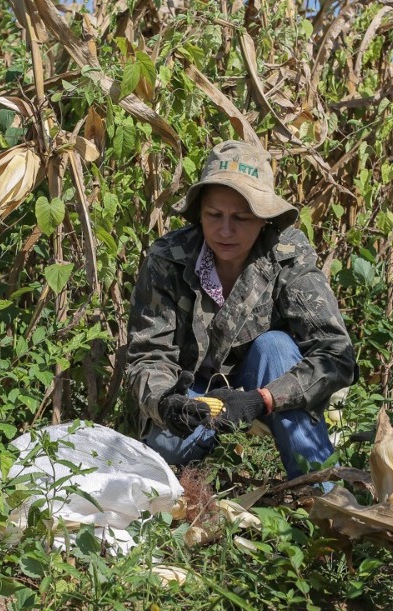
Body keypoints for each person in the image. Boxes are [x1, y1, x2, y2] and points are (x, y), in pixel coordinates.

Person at [125, 140, 356, 479]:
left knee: (274, 346)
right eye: (214, 215)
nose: (225, 231)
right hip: (194, 396)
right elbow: (148, 356)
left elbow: (336, 354)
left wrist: (262, 399)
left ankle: (320, 492)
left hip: (265, 392)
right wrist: (165, 404)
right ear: (199, 214)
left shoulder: (287, 255)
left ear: (264, 219)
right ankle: (181, 500)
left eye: (241, 218)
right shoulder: (168, 259)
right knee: (168, 448)